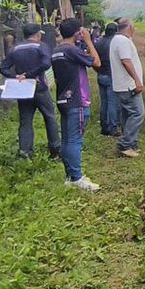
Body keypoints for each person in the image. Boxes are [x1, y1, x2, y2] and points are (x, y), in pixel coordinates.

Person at [51, 18, 102, 191]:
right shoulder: (71, 50)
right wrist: (88, 40)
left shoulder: (56, 51)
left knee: (66, 140)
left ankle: (70, 175)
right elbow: (96, 62)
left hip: (63, 99)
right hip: (77, 101)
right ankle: (77, 178)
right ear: (77, 33)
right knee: (75, 141)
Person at [0, 22, 59, 159]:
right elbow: (46, 63)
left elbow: (3, 68)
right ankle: (55, 149)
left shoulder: (15, 49)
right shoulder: (41, 46)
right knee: (50, 117)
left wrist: (16, 77)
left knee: (25, 121)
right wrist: (30, 75)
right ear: (38, 35)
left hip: (23, 90)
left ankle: (25, 152)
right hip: (39, 88)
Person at [109, 18, 145, 158]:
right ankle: (125, 144)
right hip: (128, 85)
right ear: (130, 27)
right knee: (138, 114)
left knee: (128, 115)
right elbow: (126, 61)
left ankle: (131, 144)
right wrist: (137, 81)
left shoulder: (117, 39)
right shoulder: (123, 41)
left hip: (121, 85)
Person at [94, 21, 121, 136]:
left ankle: (104, 127)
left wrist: (99, 71)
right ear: (116, 31)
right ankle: (113, 128)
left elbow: (93, 61)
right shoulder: (114, 43)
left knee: (104, 102)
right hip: (111, 76)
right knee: (112, 103)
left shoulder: (98, 43)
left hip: (101, 75)